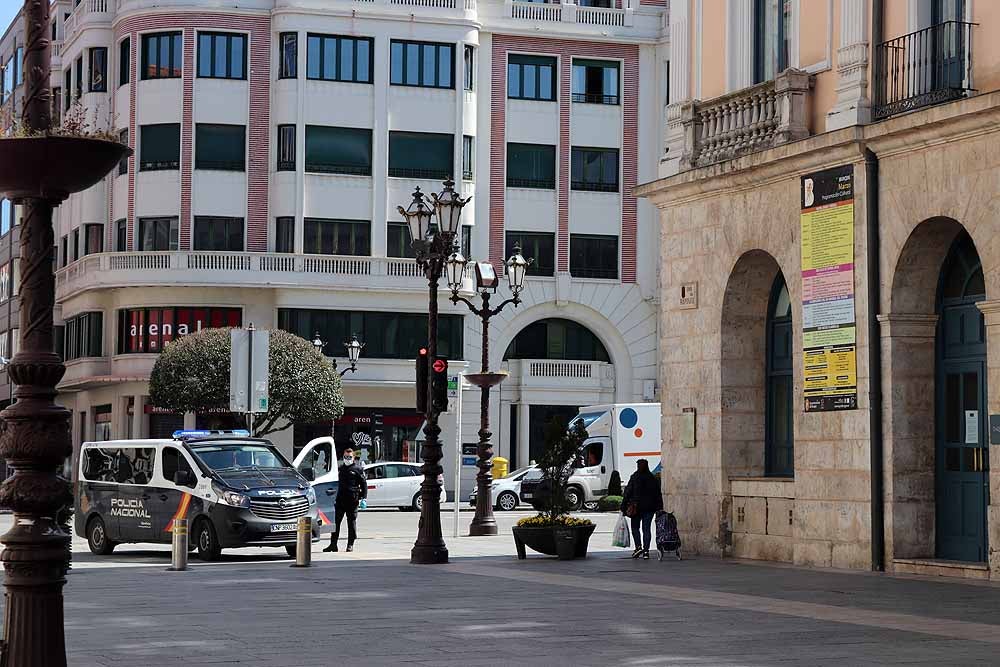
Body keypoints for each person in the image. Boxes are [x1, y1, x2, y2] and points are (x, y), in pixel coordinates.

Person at [323, 447, 368, 553]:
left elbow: (364, 484)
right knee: (336, 523)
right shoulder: (340, 469)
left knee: (351, 523)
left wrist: (364, 499)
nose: (347, 458)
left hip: (352, 501)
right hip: (340, 500)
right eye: (345, 457)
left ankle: (350, 545)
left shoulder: (358, 469)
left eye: (349, 457)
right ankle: (333, 544)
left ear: (353, 457)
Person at [621, 459, 662, 559]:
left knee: (635, 528)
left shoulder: (635, 477)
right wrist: (659, 507)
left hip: (636, 508)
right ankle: (646, 551)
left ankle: (638, 547)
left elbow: (627, 492)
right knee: (646, 529)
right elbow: (658, 494)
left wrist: (623, 505)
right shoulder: (652, 478)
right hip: (649, 508)